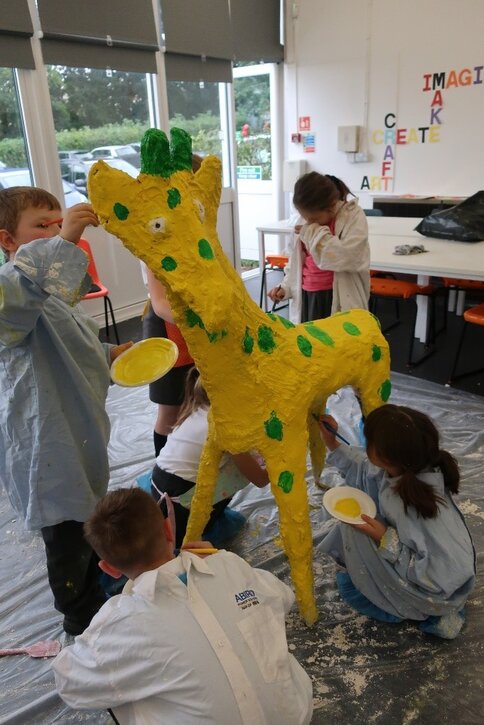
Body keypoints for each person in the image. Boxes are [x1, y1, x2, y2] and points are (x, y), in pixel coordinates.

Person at [52, 488, 314, 724]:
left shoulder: (119, 621)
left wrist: (106, 629)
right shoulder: (227, 564)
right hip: (295, 716)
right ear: (168, 530)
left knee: (118, 681)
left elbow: (69, 683)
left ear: (109, 569)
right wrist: (219, 560)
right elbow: (283, 597)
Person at [0, 187, 131, 636]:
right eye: (42, 226)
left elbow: (76, 338)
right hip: (46, 441)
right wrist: (68, 241)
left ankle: (96, 582)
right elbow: (19, 296)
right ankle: (80, 615)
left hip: (76, 428)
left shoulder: (51, 291)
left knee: (87, 516)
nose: (55, 232)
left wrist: (111, 353)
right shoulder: (8, 290)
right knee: (65, 534)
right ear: (6, 240)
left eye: (58, 223)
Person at [316, 404, 476, 639]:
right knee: (354, 519)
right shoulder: (403, 467)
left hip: (438, 592)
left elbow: (445, 575)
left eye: (368, 441)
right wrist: (332, 443)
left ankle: (425, 612)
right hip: (427, 569)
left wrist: (384, 537)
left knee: (352, 531)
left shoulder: (416, 505)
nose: (365, 447)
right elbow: (364, 467)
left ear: (383, 456)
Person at [152, 367, 270, 548]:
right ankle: (203, 523)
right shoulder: (225, 425)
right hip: (179, 516)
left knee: (244, 455)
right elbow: (261, 480)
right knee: (246, 464)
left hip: (160, 489)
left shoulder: (200, 408)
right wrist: (283, 461)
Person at [141, 153, 203, 456]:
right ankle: (164, 478)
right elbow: (162, 303)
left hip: (196, 329)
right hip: (168, 332)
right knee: (171, 413)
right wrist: (203, 319)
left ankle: (190, 473)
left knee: (198, 407)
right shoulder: (156, 237)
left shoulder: (197, 233)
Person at [268, 171, 370, 322]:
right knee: (310, 342)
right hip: (308, 295)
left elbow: (349, 257)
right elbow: (295, 263)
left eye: (314, 218)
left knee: (336, 342)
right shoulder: (304, 221)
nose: (309, 222)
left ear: (331, 206)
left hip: (337, 297)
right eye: (305, 217)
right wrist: (285, 287)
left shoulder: (352, 216)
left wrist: (313, 231)